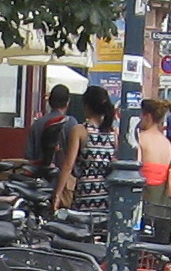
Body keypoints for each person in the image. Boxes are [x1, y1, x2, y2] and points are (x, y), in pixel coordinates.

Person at [53, 85, 131, 260]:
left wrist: (57, 194)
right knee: (102, 234)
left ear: (86, 106)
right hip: (105, 193)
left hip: (85, 192)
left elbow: (67, 165)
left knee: (82, 235)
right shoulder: (113, 132)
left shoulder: (80, 131)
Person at [133, 95, 171, 253]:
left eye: (141, 115)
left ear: (148, 116)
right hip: (163, 200)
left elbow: (135, 168)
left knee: (141, 244)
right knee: (159, 246)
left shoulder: (140, 139)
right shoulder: (167, 144)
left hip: (144, 197)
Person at [25, 81, 76, 203]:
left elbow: (28, 155)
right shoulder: (71, 123)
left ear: (49, 102)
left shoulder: (37, 124)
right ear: (68, 102)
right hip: (63, 184)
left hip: (38, 182)